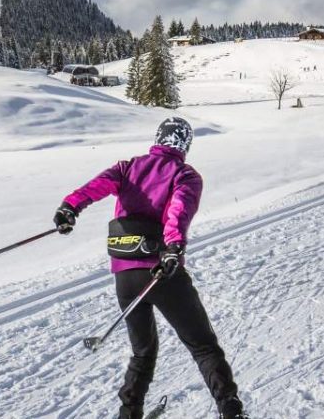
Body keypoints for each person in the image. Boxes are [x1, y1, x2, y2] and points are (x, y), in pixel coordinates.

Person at [53, 117, 247, 419]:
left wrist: (70, 207)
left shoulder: (127, 167)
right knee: (203, 345)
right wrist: (172, 246)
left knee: (142, 351)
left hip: (125, 274)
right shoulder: (185, 175)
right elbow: (178, 211)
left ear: (158, 139)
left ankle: (129, 413)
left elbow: (96, 187)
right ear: (184, 145)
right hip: (161, 271)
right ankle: (231, 411)